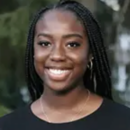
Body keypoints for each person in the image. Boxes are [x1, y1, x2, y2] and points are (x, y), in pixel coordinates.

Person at [0, 0, 130, 129]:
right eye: (45, 43)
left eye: (72, 44)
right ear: (33, 50)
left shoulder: (124, 122)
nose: (57, 55)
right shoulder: (8, 125)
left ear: (90, 53)